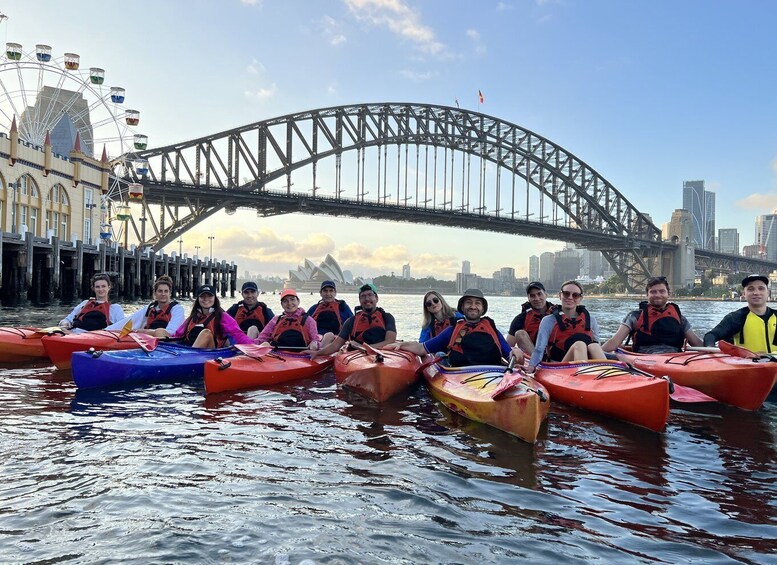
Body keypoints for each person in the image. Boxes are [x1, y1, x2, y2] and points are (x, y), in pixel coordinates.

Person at [389, 289, 521, 367]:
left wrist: (515, 354)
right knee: (441, 355)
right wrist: (399, 345)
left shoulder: (491, 329)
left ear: (482, 308)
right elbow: (422, 348)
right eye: (468, 303)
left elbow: (507, 352)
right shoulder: (452, 331)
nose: (473, 306)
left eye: (477, 303)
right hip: (461, 377)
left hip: (493, 373)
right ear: (462, 308)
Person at [602, 275, 703, 354]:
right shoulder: (635, 316)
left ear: (669, 294)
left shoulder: (680, 318)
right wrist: (594, 354)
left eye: (662, 291)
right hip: (644, 358)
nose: (658, 295)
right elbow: (614, 342)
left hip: (675, 358)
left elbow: (697, 343)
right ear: (647, 295)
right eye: (653, 292)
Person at [526, 280, 606, 373]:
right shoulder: (548, 321)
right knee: (579, 345)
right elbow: (539, 349)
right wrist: (531, 366)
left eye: (575, 295)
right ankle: (584, 378)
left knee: (595, 346)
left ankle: (607, 377)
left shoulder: (591, 320)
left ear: (580, 298)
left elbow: (598, 346)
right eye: (566, 294)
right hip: (560, 367)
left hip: (587, 364)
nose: (570, 298)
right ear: (560, 296)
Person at [309, 283, 397, 359]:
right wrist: (317, 353)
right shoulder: (351, 321)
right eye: (363, 296)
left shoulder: (387, 317)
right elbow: (335, 345)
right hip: (358, 356)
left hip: (382, 353)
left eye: (370, 295)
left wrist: (363, 347)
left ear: (376, 298)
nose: (367, 299)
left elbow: (390, 341)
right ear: (360, 301)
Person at [703, 274, 777, 352]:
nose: (756, 292)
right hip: (747, 362)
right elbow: (711, 336)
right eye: (751, 289)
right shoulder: (735, 318)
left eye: (761, 288)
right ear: (744, 294)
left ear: (768, 293)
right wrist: (710, 348)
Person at [166, 284, 252, 348]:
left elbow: (238, 335)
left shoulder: (222, 316)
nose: (206, 299)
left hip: (211, 354)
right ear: (198, 299)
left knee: (206, 333)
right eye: (202, 296)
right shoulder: (192, 317)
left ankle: (185, 361)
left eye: (210, 296)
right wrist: (161, 339)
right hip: (190, 350)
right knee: (161, 331)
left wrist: (254, 347)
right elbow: (177, 335)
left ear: (215, 298)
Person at [105, 275, 186, 337]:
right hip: (149, 341)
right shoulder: (150, 308)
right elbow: (130, 320)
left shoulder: (177, 309)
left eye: (166, 291)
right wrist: (106, 331)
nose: (163, 294)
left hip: (167, 343)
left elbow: (170, 332)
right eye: (160, 291)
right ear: (155, 293)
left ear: (170, 293)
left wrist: (144, 332)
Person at [254, 289, 321, 350]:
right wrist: (250, 344)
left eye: (292, 299)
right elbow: (263, 337)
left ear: (298, 301)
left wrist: (314, 344)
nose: (289, 303)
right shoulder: (276, 319)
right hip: (277, 353)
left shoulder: (309, 320)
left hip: (301, 353)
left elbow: (315, 340)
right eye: (285, 301)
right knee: (265, 344)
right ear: (282, 304)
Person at [59, 273, 125, 334]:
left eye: (103, 286)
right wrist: (64, 324)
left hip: (97, 336)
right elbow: (68, 319)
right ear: (93, 288)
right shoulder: (84, 303)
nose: (100, 289)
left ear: (109, 287)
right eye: (97, 287)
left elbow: (122, 326)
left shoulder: (115, 308)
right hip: (75, 333)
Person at [506, 281, 557, 354]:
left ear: (545, 295)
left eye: (539, 294)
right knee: (520, 333)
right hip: (532, 357)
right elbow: (508, 346)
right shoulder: (520, 319)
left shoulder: (558, 314)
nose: (537, 298)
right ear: (528, 299)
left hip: (556, 356)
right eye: (532, 296)